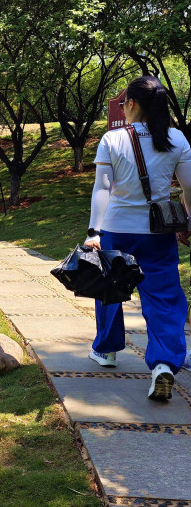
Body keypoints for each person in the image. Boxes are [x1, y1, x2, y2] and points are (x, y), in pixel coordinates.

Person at [84, 75, 191, 401]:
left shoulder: (112, 139)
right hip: (158, 233)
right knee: (164, 298)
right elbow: (188, 187)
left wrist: (94, 231)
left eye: (123, 102)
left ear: (131, 104)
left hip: (116, 229)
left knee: (110, 290)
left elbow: (103, 188)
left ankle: (106, 350)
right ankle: (164, 363)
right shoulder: (176, 139)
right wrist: (189, 221)